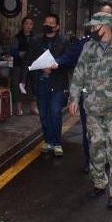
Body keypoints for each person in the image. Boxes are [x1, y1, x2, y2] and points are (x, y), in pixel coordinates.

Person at [68, 12, 112, 209]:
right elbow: (79, 73)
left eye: (94, 27)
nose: (91, 31)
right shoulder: (88, 47)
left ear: (105, 26)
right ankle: (99, 182)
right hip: (92, 107)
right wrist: (74, 97)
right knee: (95, 148)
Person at [21, 13, 71, 157]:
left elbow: (68, 59)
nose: (48, 25)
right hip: (40, 82)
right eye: (46, 22)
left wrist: (56, 65)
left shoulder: (64, 41)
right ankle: (48, 141)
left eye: (51, 23)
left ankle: (57, 143)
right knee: (43, 114)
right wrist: (22, 80)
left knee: (55, 111)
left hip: (57, 83)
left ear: (57, 26)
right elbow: (28, 60)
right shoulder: (35, 40)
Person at [51, 27, 92, 173]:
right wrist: (54, 63)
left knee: (106, 131)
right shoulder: (83, 44)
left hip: (110, 100)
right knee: (88, 130)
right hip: (88, 96)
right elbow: (69, 58)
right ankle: (89, 160)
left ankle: (105, 157)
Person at [10, 17, 38, 115]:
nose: (28, 26)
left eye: (30, 24)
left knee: (33, 85)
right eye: (26, 23)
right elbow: (12, 51)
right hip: (19, 65)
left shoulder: (35, 38)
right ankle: (18, 108)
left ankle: (33, 108)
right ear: (23, 25)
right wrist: (19, 54)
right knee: (18, 85)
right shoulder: (17, 37)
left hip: (32, 65)